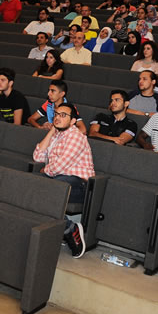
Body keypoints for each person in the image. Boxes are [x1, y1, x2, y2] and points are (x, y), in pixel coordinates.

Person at [32, 102, 93, 258]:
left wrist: (46, 169)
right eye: (56, 114)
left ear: (73, 121)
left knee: (51, 188)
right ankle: (68, 227)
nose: (58, 117)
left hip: (79, 184)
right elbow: (37, 156)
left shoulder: (76, 137)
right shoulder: (57, 135)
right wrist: (52, 130)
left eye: (63, 115)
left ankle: (69, 231)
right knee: (29, 184)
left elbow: (59, 166)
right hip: (59, 179)